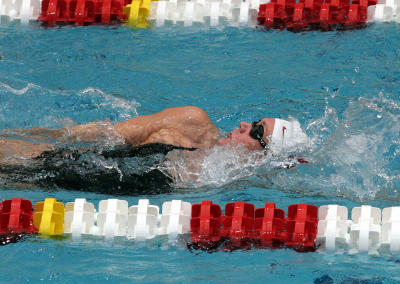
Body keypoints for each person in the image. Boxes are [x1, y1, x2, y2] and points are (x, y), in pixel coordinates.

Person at [0, 106, 307, 193]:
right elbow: (98, 134)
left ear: (264, 155)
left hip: (55, 186)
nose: (243, 124)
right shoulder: (192, 125)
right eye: (254, 121)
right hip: (56, 161)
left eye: (256, 130)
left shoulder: (234, 182)